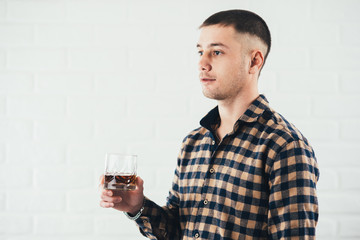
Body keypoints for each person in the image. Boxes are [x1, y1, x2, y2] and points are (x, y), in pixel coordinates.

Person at [100, 9, 319, 239]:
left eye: (216, 52)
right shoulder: (193, 142)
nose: (202, 63)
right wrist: (137, 207)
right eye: (200, 52)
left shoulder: (285, 146)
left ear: (254, 61)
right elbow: (176, 231)